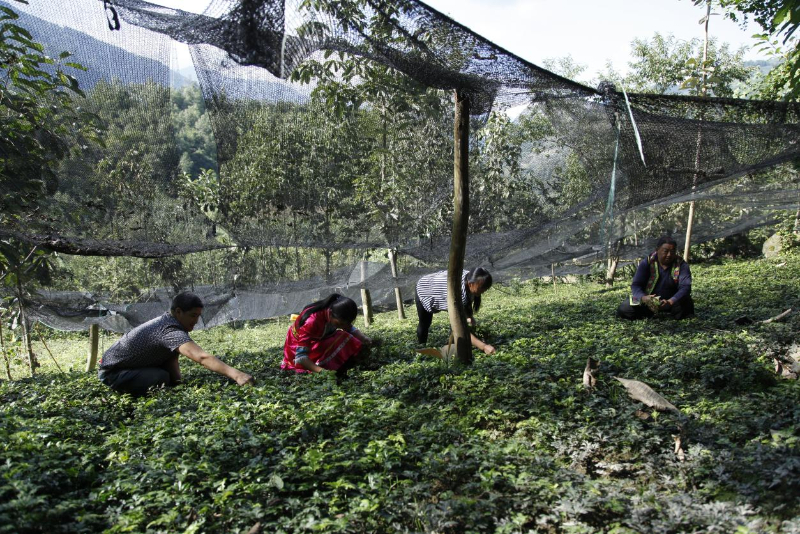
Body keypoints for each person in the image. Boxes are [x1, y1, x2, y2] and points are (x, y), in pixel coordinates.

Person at [98, 292, 255, 395]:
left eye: (198, 316)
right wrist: (238, 375)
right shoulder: (168, 329)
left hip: (125, 368)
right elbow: (201, 357)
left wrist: (178, 385)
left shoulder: (169, 323)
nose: (196, 321)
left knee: (167, 377)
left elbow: (170, 358)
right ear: (179, 312)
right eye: (193, 315)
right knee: (160, 376)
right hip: (113, 373)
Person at [282, 294, 373, 377]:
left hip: (319, 339)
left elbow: (348, 327)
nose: (343, 327)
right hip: (297, 348)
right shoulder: (312, 322)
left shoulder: (335, 312)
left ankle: (345, 366)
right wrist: (323, 372)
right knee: (342, 337)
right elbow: (301, 358)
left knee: (346, 337)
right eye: (340, 324)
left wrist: (363, 338)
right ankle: (327, 366)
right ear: (330, 313)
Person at [415, 267, 496, 354]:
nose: (483, 291)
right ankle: (421, 348)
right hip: (424, 288)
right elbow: (458, 327)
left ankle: (451, 345)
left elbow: (468, 301)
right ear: (470, 284)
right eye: (481, 288)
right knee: (425, 323)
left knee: (460, 322)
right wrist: (483, 346)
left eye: (486, 288)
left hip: (442, 287)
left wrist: (469, 316)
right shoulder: (457, 295)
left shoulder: (471, 277)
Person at [616, 236, 694, 320]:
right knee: (624, 308)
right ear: (657, 250)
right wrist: (644, 298)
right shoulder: (647, 262)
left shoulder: (682, 265)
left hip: (672, 302)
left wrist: (670, 301)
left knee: (686, 303)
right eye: (665, 251)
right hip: (647, 301)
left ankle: (664, 314)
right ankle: (653, 313)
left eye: (672, 252)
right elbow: (636, 285)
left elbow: (685, 287)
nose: (669, 255)